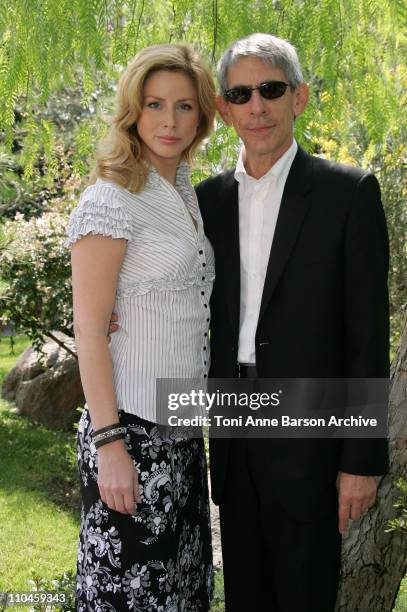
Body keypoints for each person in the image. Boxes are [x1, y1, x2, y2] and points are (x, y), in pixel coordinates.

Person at [109, 33, 389, 612]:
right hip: (230, 425)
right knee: (244, 594)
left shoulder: (349, 193)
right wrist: (115, 310)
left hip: (312, 426)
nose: (256, 105)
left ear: (299, 97)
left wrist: (361, 460)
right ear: (226, 108)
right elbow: (164, 276)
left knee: (305, 593)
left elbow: (367, 335)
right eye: (240, 93)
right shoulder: (205, 200)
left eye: (271, 89)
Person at [65, 43, 216, 611]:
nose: (169, 121)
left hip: (180, 430)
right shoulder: (112, 199)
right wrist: (110, 446)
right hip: (128, 430)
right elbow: (90, 331)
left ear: (201, 115)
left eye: (183, 106)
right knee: (128, 595)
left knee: (179, 593)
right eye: (155, 105)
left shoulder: (182, 194)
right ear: (133, 111)